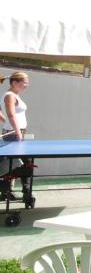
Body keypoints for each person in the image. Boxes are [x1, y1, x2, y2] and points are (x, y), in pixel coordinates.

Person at [1, 72, 31, 201]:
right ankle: (26, 193)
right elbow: (11, 114)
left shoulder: (12, 95)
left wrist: (4, 121)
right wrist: (17, 131)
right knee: (24, 164)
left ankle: (9, 191)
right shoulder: (10, 96)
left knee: (18, 164)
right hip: (14, 135)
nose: (26, 85)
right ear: (14, 83)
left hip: (15, 133)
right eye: (24, 82)